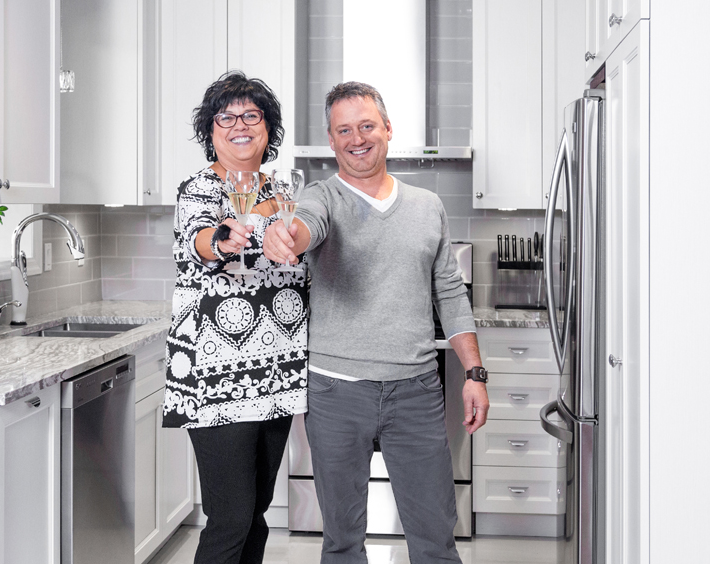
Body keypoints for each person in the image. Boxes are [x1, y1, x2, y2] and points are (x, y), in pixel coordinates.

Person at [262, 81, 490, 563]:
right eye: (344, 130)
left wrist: (474, 373)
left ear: (387, 128)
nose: (357, 138)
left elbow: (450, 293)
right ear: (331, 139)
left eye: (366, 126)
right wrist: (286, 236)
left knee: (436, 541)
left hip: (416, 392)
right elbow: (305, 226)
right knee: (342, 543)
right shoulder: (322, 197)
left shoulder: (427, 206)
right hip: (335, 392)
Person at [162, 70, 308, 564]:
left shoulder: (286, 188)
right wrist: (224, 239)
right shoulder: (200, 188)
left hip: (278, 370)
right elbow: (202, 240)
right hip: (218, 375)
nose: (239, 125)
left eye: (251, 115)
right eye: (226, 117)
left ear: (268, 127)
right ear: (211, 129)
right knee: (230, 517)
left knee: (256, 513)